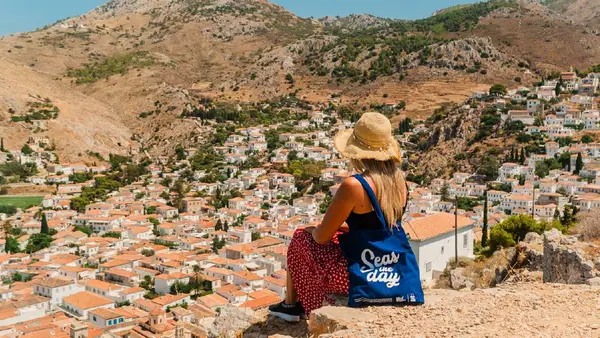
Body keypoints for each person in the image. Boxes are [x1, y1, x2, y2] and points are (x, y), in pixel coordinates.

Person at [268, 112, 409, 322]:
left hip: (357, 272)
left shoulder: (354, 185)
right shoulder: (400, 182)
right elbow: (376, 227)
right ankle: (293, 304)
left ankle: (296, 306)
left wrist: (313, 230)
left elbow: (321, 238)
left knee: (300, 238)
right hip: (391, 267)